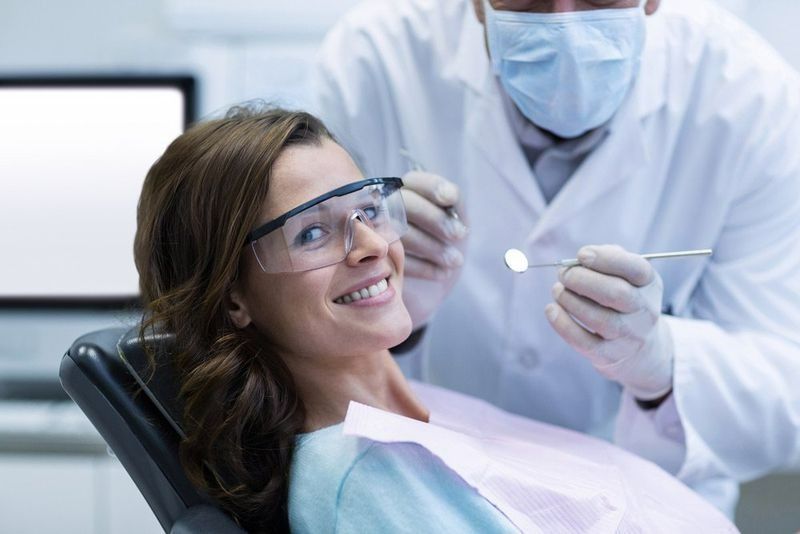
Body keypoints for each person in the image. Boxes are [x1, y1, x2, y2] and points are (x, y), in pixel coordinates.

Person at [132, 105, 736, 532]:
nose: (370, 243)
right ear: (233, 296)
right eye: (312, 231)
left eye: (368, 207)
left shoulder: (413, 411)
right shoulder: (367, 484)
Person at [311, 0, 800, 515]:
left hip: (641, 509)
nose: (564, 23)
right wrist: (385, 304)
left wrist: (661, 363)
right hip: (421, 492)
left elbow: (786, 391)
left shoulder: (751, 99)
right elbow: (288, 333)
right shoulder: (375, 61)